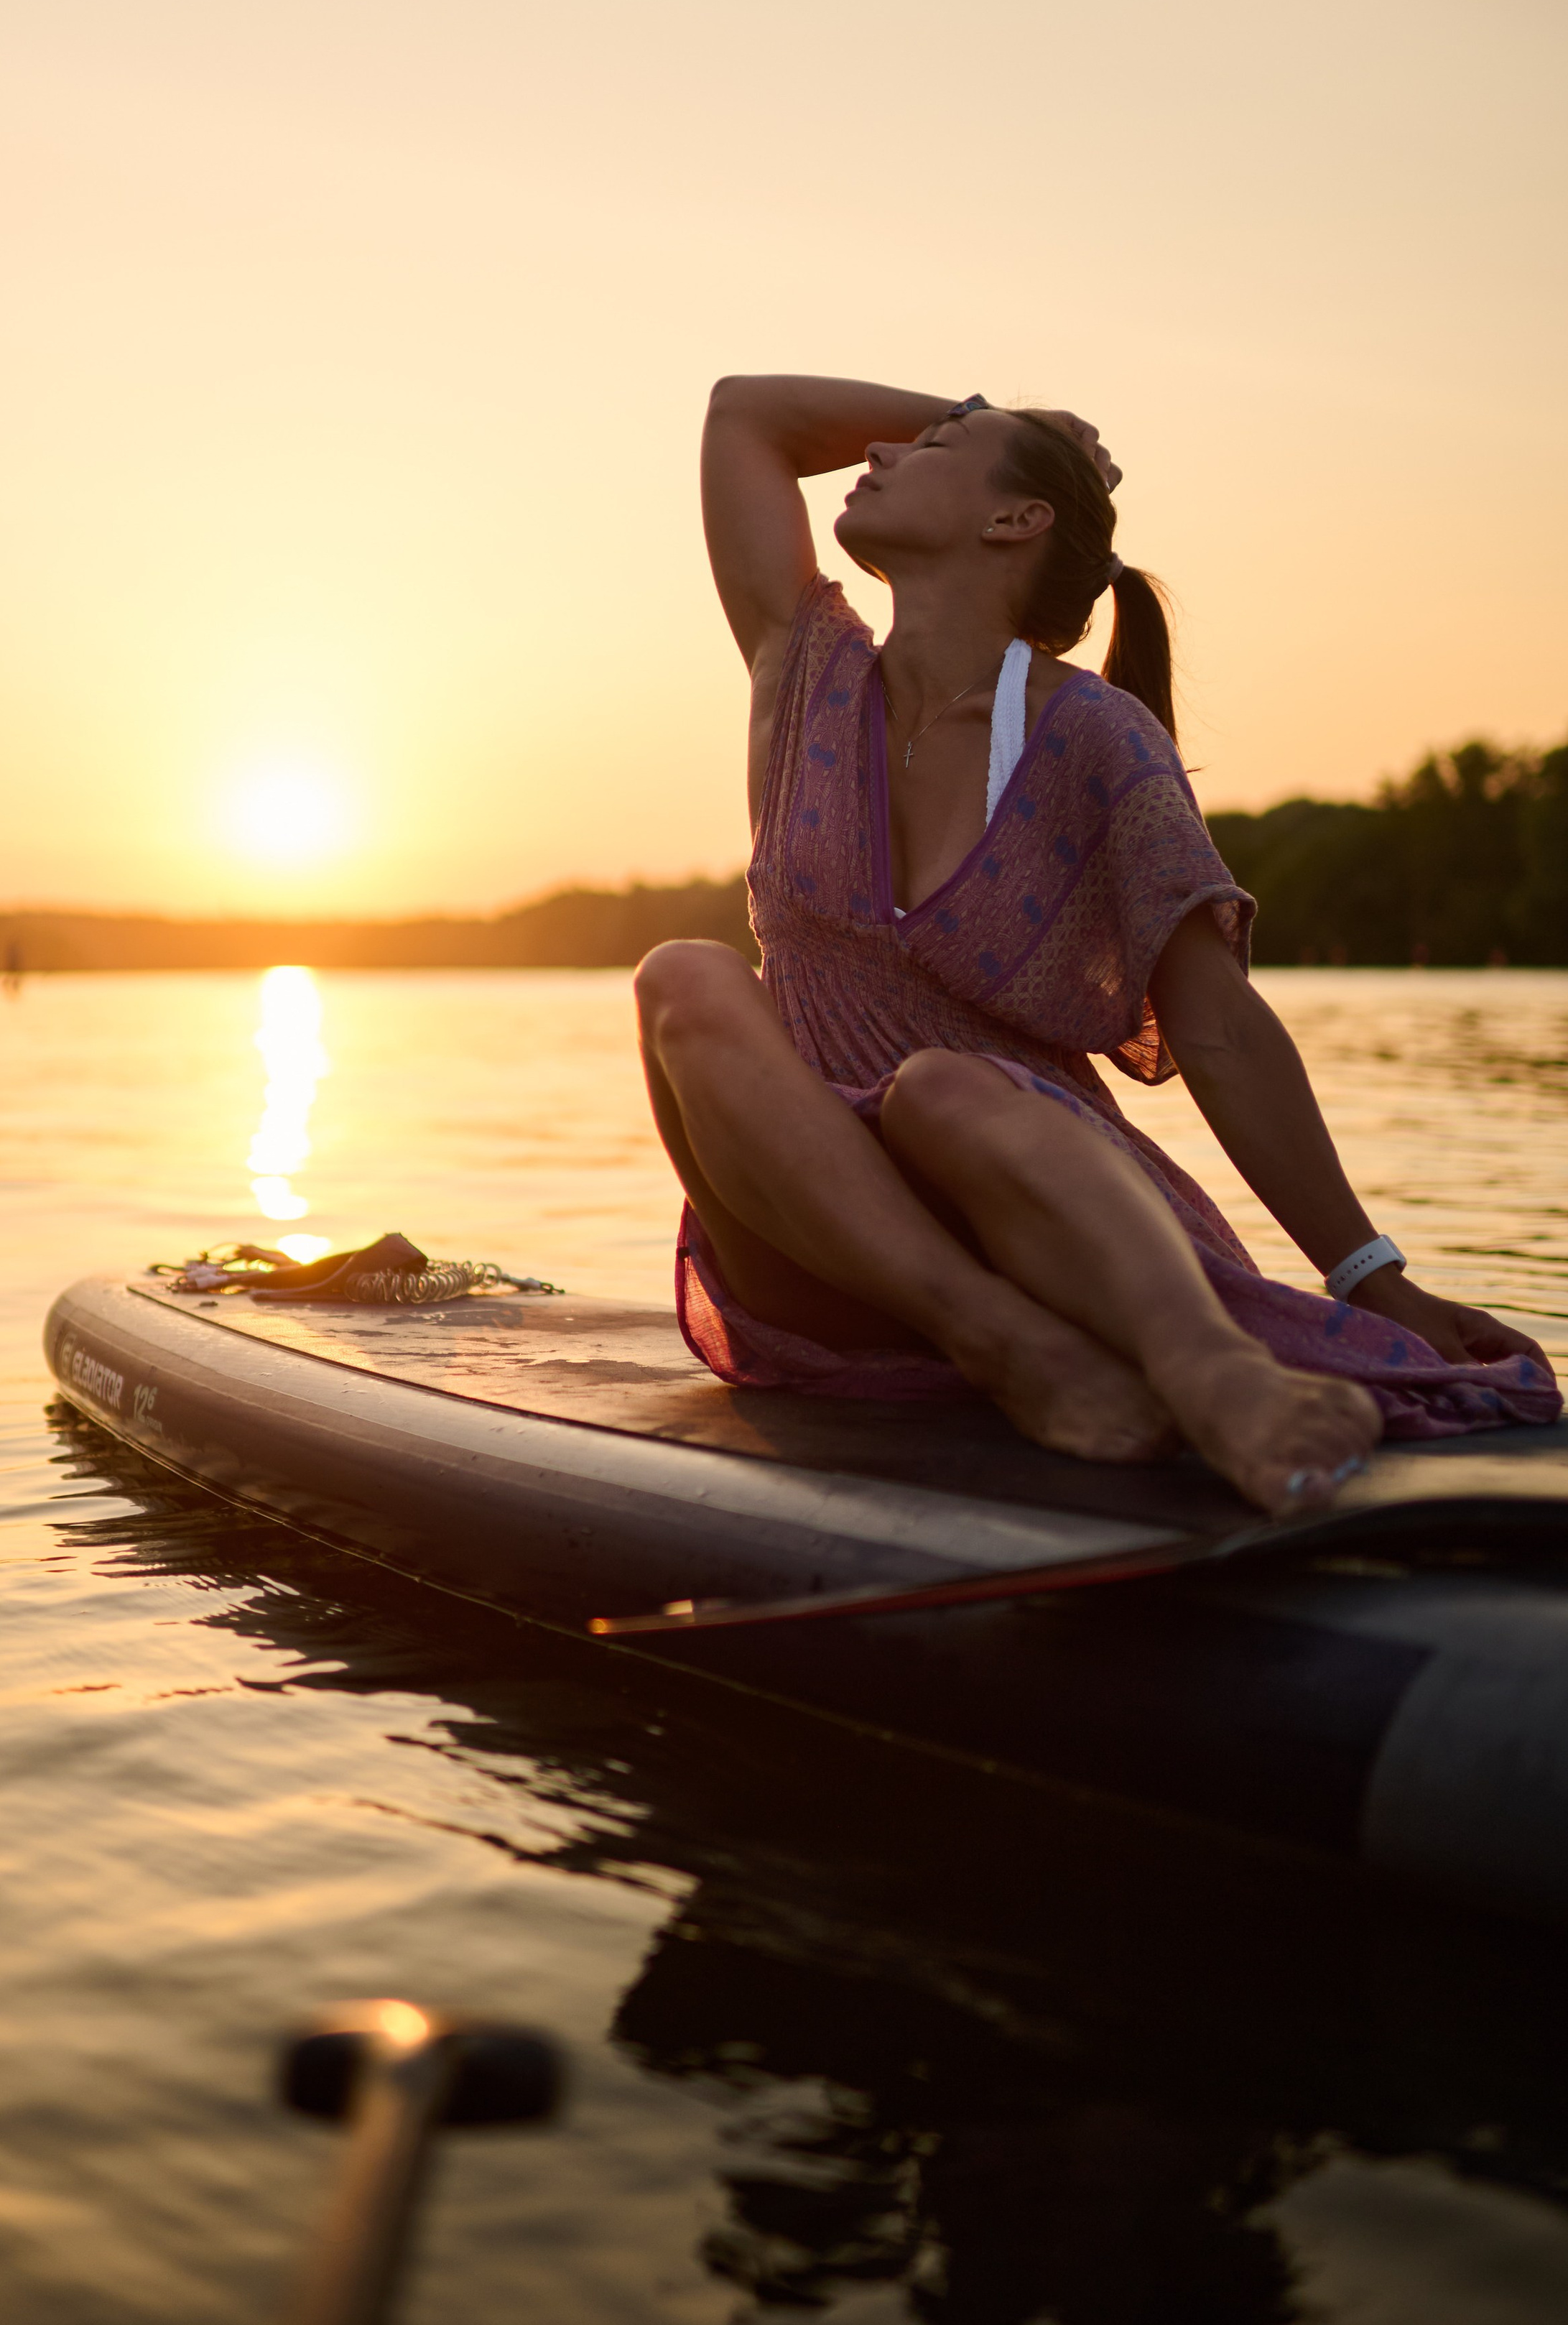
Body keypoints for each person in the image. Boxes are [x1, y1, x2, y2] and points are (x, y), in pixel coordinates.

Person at [635, 376, 1559, 1512]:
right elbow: (744, 415)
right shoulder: (804, 667)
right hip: (819, 1243)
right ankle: (997, 1342)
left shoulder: (1096, 738)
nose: (877, 451)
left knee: (942, 1089)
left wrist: (1371, 1275)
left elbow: (1220, 1028)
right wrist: (989, 415)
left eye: (932, 448)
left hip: (1052, 1237)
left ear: (1015, 520)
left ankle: (1214, 1373)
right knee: (684, 976)